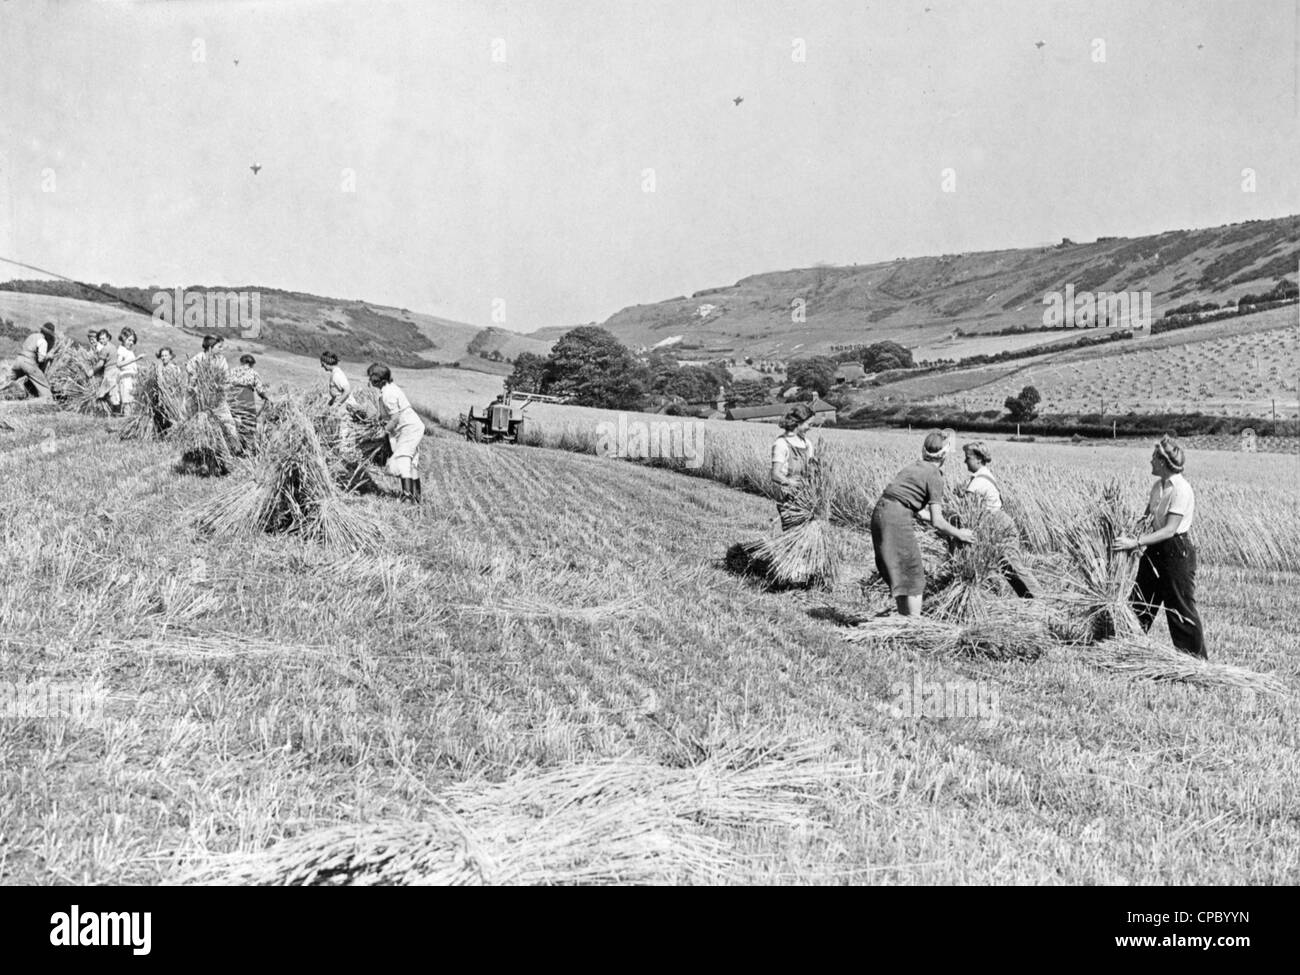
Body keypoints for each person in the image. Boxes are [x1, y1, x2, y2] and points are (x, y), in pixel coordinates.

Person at [1112, 434, 1206, 658]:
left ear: (1163, 462)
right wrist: (1130, 534)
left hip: (1176, 551)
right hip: (1154, 548)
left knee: (1180, 608)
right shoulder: (1158, 486)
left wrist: (1136, 543)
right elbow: (1147, 519)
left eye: (1154, 457)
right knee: (1140, 601)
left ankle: (1194, 661)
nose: (1150, 461)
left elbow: (1169, 529)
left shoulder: (1181, 490)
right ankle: (1128, 649)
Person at [871, 429, 974, 616]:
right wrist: (960, 534)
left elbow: (915, 508)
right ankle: (915, 625)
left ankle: (905, 621)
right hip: (896, 519)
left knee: (900, 571)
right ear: (944, 456)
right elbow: (937, 521)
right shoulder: (934, 475)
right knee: (913, 574)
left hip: (881, 513)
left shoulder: (914, 466)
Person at [959, 440, 1037, 597]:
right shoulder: (982, 476)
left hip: (1000, 525)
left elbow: (965, 509)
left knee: (1014, 565)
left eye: (968, 457)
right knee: (1007, 567)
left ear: (979, 459)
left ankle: (1042, 599)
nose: (965, 460)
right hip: (1000, 524)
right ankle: (1029, 599)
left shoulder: (978, 481)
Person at [368, 363, 424, 503]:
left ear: (381, 380)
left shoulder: (388, 394)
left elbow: (395, 418)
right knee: (412, 463)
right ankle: (417, 499)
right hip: (411, 427)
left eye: (373, 379)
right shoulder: (388, 390)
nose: (370, 381)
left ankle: (407, 497)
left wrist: (383, 432)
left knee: (403, 459)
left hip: (409, 428)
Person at [770, 402, 817, 530]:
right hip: (788, 498)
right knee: (793, 532)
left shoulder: (807, 444)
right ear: (798, 422)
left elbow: (811, 470)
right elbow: (775, 474)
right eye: (809, 424)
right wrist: (792, 483)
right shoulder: (781, 444)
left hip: (806, 496)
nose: (810, 428)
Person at [187, 334, 240, 448]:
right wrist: (194, 385)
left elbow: (226, 377)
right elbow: (191, 375)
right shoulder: (198, 358)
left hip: (217, 397)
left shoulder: (221, 360)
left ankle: (234, 447)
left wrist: (222, 386)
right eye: (219, 347)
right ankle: (201, 446)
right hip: (200, 398)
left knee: (228, 421)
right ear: (211, 347)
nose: (222, 349)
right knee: (200, 421)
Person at [228, 353, 272, 447]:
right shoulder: (253, 373)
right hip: (245, 398)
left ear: (241, 362)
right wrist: (266, 398)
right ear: (251, 364)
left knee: (232, 421)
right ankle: (246, 446)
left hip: (232, 397)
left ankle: (232, 444)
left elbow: (226, 384)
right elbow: (260, 390)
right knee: (248, 423)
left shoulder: (232, 371)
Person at [4, 322, 56, 398]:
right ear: (48, 334)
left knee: (7, 381)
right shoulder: (43, 341)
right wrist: (48, 357)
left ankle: (3, 394)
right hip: (28, 363)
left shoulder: (32, 336)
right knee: (44, 386)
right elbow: (41, 359)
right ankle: (48, 401)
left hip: (18, 361)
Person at [114, 327, 141, 414]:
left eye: (133, 341)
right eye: (129, 340)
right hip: (125, 379)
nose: (131, 343)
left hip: (132, 378)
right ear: (123, 338)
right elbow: (118, 364)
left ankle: (129, 417)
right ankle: (126, 417)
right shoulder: (121, 350)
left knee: (132, 401)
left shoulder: (129, 351)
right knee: (127, 401)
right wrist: (134, 359)